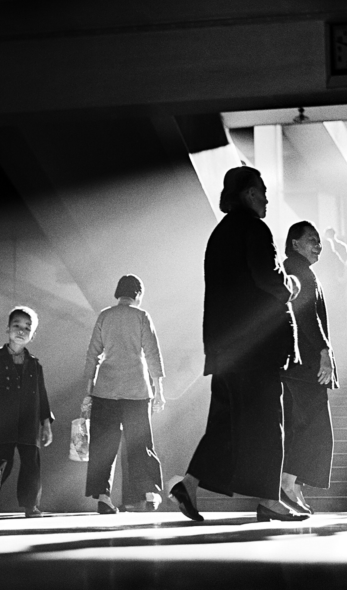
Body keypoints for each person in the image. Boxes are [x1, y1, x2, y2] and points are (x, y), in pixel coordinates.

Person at [169, 165, 308, 523]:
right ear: (248, 193)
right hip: (256, 348)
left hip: (224, 347)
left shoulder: (219, 234)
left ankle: (190, 482)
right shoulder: (255, 229)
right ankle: (269, 499)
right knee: (267, 421)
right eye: (261, 191)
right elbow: (268, 276)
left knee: (225, 424)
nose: (265, 198)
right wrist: (290, 285)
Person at [81, 274, 166, 514]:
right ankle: (149, 494)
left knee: (104, 444)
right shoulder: (141, 316)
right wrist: (159, 391)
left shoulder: (104, 316)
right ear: (138, 295)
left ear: (118, 293)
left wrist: (88, 392)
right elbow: (152, 354)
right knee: (140, 444)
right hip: (137, 391)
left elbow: (92, 355)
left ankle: (103, 497)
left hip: (105, 390)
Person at [280, 221, 337, 514]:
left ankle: (294, 487)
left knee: (304, 426)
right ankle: (288, 484)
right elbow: (307, 316)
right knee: (312, 428)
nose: (318, 244)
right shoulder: (298, 271)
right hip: (304, 365)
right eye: (311, 239)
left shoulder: (298, 269)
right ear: (295, 243)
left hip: (297, 364)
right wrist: (324, 350)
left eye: (318, 239)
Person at [0, 306, 54, 518]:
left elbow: (42, 396)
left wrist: (46, 423)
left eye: (27, 328)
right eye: (16, 325)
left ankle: (31, 505)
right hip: (3, 420)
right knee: (1, 463)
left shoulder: (35, 365)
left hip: (29, 421)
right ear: (7, 328)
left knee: (31, 464)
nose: (21, 331)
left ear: (33, 334)